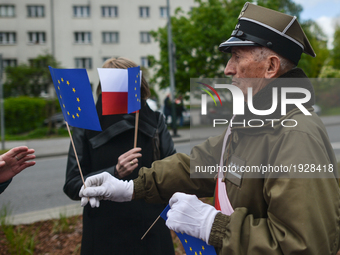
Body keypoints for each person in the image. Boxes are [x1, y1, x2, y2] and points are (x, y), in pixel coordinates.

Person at [79, 3, 340, 255]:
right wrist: (131, 187)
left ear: (271, 67)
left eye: (238, 57)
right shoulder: (253, 122)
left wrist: (213, 225)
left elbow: (304, 246)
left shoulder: (295, 134)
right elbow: (196, 164)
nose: (228, 69)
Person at [63, 57, 176, 255]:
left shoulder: (155, 121)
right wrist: (114, 171)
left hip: (150, 231)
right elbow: (73, 185)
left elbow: (174, 175)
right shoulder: (84, 124)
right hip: (104, 235)